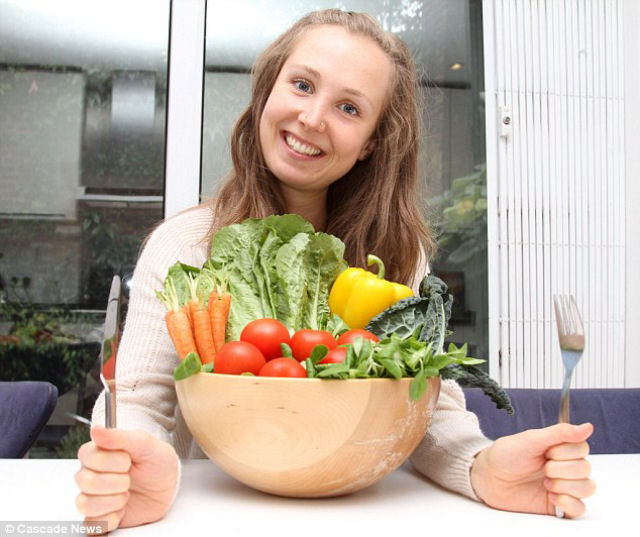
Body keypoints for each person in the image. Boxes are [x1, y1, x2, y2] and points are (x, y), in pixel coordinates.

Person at [74, 9, 596, 532]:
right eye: (302, 85)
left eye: (349, 107)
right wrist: (137, 460)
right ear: (266, 92)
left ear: (371, 141)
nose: (313, 118)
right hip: (221, 518)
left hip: (366, 518)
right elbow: (140, 397)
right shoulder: (185, 246)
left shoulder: (398, 255)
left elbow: (431, 408)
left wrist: (482, 469)